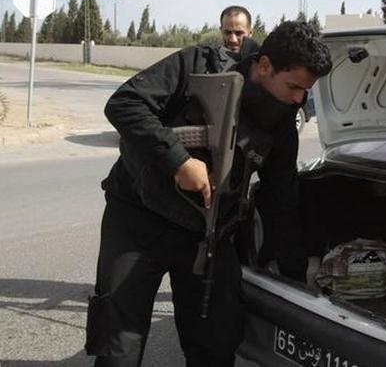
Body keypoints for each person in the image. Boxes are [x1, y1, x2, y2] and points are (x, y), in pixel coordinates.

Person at [85, 21, 332, 367]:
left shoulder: (282, 117)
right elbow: (125, 104)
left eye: (305, 92)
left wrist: (295, 279)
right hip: (137, 220)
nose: (299, 99)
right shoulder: (198, 64)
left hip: (209, 236)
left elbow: (281, 198)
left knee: (216, 343)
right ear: (264, 66)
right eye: (293, 87)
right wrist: (179, 161)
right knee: (118, 346)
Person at [218, 5, 254, 72]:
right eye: (227, 33)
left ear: (250, 32)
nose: (233, 40)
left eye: (239, 33)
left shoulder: (261, 65)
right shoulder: (209, 62)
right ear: (221, 31)